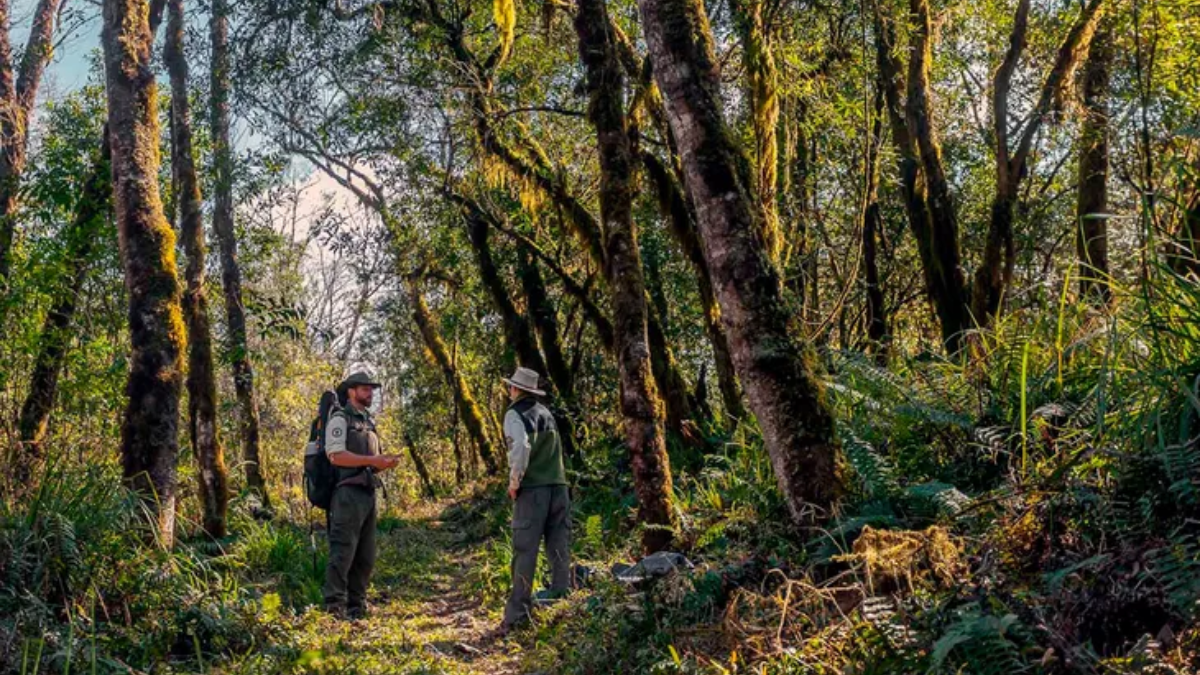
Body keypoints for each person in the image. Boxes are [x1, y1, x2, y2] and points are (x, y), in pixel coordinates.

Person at [499, 366, 571, 635]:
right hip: (559, 487)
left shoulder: (514, 414)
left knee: (525, 550)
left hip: (533, 490)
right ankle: (562, 602)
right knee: (559, 546)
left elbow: (520, 448)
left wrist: (514, 483)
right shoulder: (546, 413)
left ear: (515, 389)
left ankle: (518, 615)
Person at [323, 371, 400, 619]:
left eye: (371, 389)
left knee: (365, 555)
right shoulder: (339, 419)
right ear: (351, 391)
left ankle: (358, 606)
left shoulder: (368, 421)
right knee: (343, 551)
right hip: (347, 494)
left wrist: (383, 463)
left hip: (368, 493)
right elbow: (335, 456)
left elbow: (371, 461)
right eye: (364, 389)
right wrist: (371, 460)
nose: (370, 393)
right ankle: (334, 607)